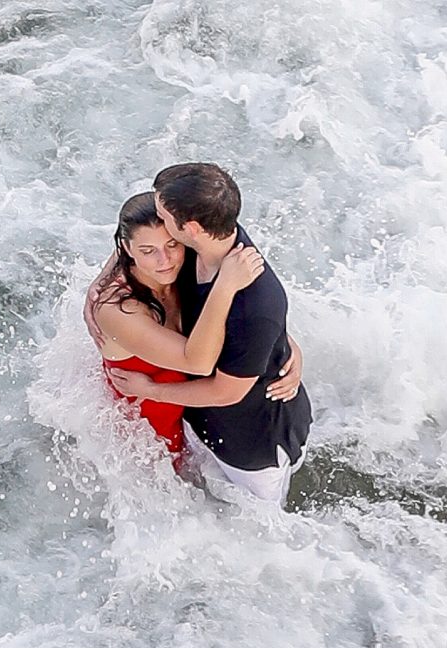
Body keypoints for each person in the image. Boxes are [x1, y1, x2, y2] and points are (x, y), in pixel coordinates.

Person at [107, 163, 312, 506]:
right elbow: (136, 238)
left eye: (163, 213)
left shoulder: (254, 305)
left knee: (258, 529)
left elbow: (225, 391)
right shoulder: (197, 242)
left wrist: (152, 390)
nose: (158, 219)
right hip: (205, 419)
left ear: (190, 228)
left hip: (252, 448)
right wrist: (97, 293)